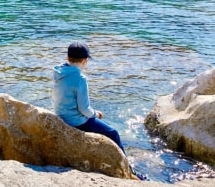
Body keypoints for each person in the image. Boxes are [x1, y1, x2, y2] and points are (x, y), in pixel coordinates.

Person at [53, 41, 146, 179]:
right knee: (113, 133)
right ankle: (129, 171)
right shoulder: (80, 78)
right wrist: (96, 114)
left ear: (67, 58)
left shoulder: (58, 71)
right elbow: (84, 109)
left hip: (60, 115)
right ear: (85, 61)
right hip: (75, 121)